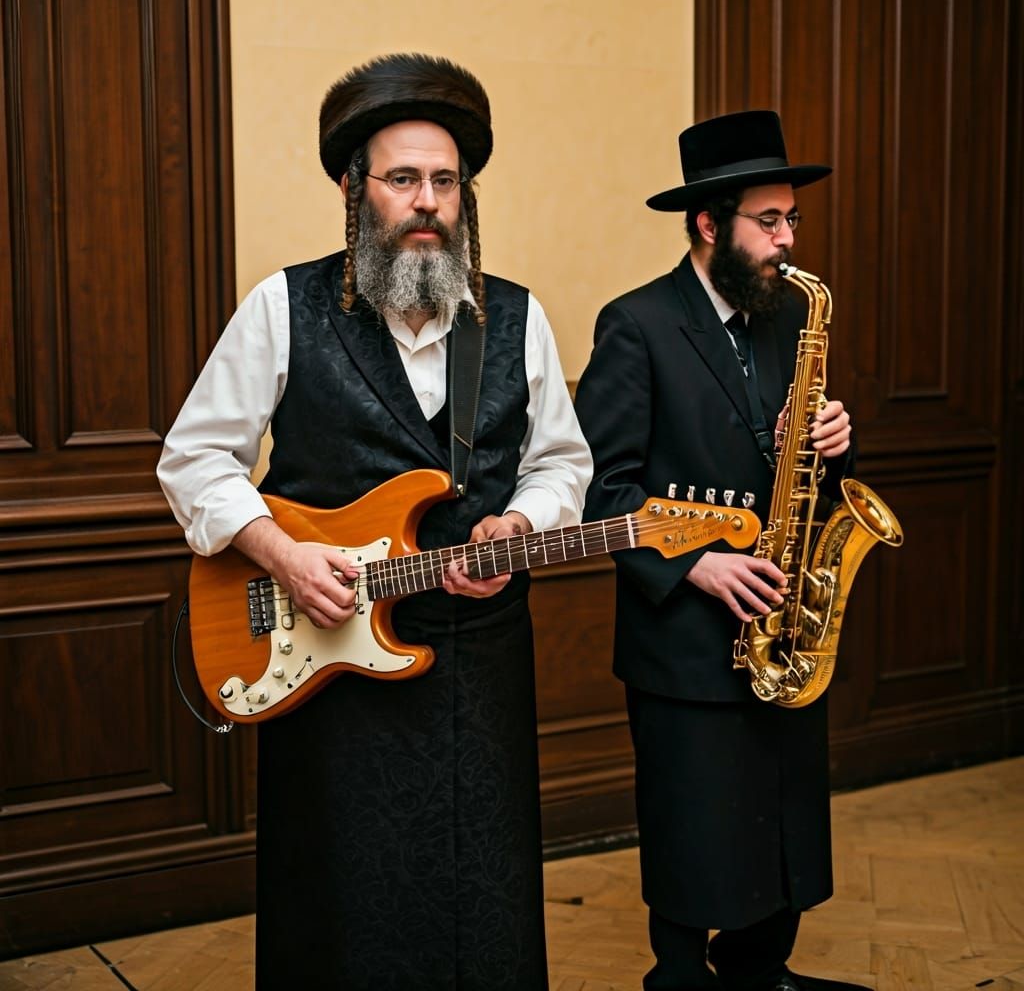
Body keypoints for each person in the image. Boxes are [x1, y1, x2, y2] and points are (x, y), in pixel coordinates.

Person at [158, 52, 591, 990]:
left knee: (487, 893)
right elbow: (193, 458)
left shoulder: (516, 318)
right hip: (329, 663)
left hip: (479, 659)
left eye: (445, 181)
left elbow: (563, 464)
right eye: (403, 180)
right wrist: (284, 553)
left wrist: (521, 524)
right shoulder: (283, 306)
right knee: (343, 903)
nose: (427, 200)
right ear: (357, 193)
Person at [573, 110, 863, 991]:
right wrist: (694, 562)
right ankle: (681, 979)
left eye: (792, 221)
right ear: (708, 224)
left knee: (779, 814)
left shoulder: (785, 320)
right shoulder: (636, 325)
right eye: (767, 221)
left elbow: (798, 470)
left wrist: (839, 441)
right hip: (686, 633)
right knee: (691, 821)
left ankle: (760, 970)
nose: (787, 239)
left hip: (782, 621)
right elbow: (600, 486)